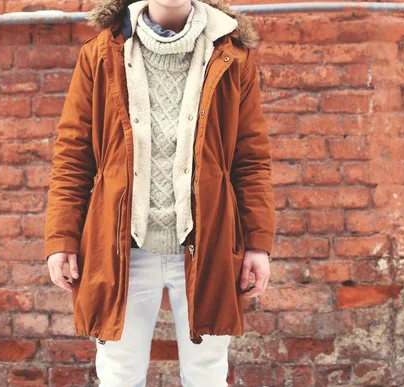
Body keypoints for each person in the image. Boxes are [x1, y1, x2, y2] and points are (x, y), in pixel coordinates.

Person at [44, 0, 276, 385]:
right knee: (120, 377)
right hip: (122, 250)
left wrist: (257, 244)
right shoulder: (101, 53)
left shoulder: (231, 54)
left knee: (206, 377)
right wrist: (61, 237)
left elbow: (250, 160)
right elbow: (73, 155)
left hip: (208, 245)